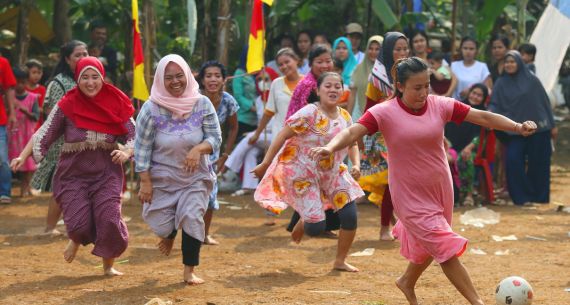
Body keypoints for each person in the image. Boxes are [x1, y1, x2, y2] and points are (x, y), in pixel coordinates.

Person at [310, 57, 537, 305]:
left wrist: (516, 126)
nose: (423, 93)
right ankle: (477, 302)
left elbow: (481, 117)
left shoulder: (440, 105)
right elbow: (352, 131)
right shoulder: (384, 112)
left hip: (440, 188)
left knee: (431, 244)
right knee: (445, 248)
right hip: (408, 195)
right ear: (400, 86)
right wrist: (330, 147)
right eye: (417, 88)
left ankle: (406, 281)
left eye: (426, 86)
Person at [12, 56, 135, 275]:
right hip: (73, 175)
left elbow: (136, 135)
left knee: (108, 217)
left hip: (106, 173)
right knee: (78, 225)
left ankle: (108, 267)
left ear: (102, 78)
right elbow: (43, 132)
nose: (90, 82)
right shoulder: (66, 105)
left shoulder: (116, 101)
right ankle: (76, 239)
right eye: (84, 77)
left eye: (95, 77)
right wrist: (22, 156)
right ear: (77, 79)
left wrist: (126, 151)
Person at [252, 72, 364, 272]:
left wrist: (356, 165)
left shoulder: (345, 116)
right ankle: (306, 221)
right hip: (304, 174)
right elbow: (282, 135)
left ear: (343, 90)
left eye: (337, 86)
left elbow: (353, 143)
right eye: (327, 86)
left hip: (333, 173)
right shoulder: (309, 112)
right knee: (315, 229)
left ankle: (340, 261)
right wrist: (265, 162)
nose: (333, 90)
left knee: (350, 217)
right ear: (318, 90)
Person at [135, 54, 222, 285]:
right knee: (161, 225)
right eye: (169, 77)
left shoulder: (202, 103)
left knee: (193, 217)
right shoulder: (150, 108)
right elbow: (142, 147)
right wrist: (145, 181)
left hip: (195, 177)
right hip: (162, 177)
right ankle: (170, 233)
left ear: (188, 75)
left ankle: (189, 271)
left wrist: (198, 149)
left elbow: (215, 137)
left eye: (179, 76)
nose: (175, 81)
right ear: (160, 80)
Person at [30, 40, 88, 234]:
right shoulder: (58, 83)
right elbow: (53, 116)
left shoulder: (90, 78)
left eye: (85, 53)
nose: (83, 58)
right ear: (67, 59)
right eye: (78, 55)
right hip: (64, 143)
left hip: (87, 141)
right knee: (61, 185)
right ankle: (49, 227)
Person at [489, 50, 556, 206]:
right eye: (507, 62)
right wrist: (490, 111)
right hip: (514, 130)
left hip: (538, 129)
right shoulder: (500, 82)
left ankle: (539, 197)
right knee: (513, 161)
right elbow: (494, 103)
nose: (509, 65)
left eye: (512, 62)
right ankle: (521, 198)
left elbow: (544, 103)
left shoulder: (532, 80)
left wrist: (552, 125)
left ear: (519, 63)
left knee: (538, 163)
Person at [361, 32, 409, 241]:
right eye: (397, 49)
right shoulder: (377, 76)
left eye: (404, 48)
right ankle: (384, 229)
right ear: (388, 50)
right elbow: (368, 108)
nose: (402, 52)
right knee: (390, 182)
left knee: (399, 183)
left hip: (407, 133)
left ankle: (392, 223)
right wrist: (362, 136)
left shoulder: (411, 72)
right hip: (382, 136)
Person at [198, 61, 239, 245]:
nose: (213, 79)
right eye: (208, 75)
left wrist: (225, 155)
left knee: (210, 196)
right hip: (189, 153)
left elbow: (233, 128)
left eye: (217, 75)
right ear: (202, 79)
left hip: (213, 156)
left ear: (224, 79)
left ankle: (204, 234)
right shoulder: (194, 98)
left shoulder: (228, 101)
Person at [223, 67, 278, 197]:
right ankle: (249, 186)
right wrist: (256, 132)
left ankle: (227, 166)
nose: (262, 82)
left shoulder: (277, 96)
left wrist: (255, 133)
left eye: (266, 79)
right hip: (263, 136)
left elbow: (276, 123)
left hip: (277, 136)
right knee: (250, 152)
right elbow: (262, 123)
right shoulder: (259, 100)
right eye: (259, 79)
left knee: (248, 140)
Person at [445, 84, 491, 206]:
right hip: (451, 146)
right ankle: (451, 195)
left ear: (484, 98)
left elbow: (480, 136)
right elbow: (446, 128)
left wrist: (469, 147)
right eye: (474, 93)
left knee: (466, 158)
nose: (475, 97)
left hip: (472, 149)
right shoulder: (458, 107)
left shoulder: (483, 114)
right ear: (469, 92)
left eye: (479, 95)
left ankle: (468, 195)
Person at [8, 68, 40, 197]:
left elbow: (36, 116)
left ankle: (25, 190)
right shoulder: (8, 98)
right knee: (10, 162)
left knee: (28, 164)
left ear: (26, 82)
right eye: (17, 82)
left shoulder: (33, 98)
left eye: (22, 82)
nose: (19, 85)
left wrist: (24, 110)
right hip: (12, 135)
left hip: (26, 135)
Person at [348, 35, 382, 121]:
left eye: (377, 49)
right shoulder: (358, 69)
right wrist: (348, 118)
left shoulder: (388, 71)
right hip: (359, 114)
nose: (373, 52)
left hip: (381, 115)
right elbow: (352, 95)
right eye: (370, 48)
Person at [0, 53, 17, 204]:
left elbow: (9, 89)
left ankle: (4, 192)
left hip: (0, 119)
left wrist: (12, 112)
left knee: (2, 157)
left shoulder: (2, 63)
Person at [232, 51, 258, 138]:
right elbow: (238, 96)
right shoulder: (239, 73)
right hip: (243, 118)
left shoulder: (261, 72)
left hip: (259, 120)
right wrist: (252, 107)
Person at [25, 59, 46, 131]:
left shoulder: (42, 89)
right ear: (27, 73)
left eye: (39, 73)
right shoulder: (22, 88)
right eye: (34, 72)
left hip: (37, 124)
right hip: (23, 123)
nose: (36, 75)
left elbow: (42, 108)